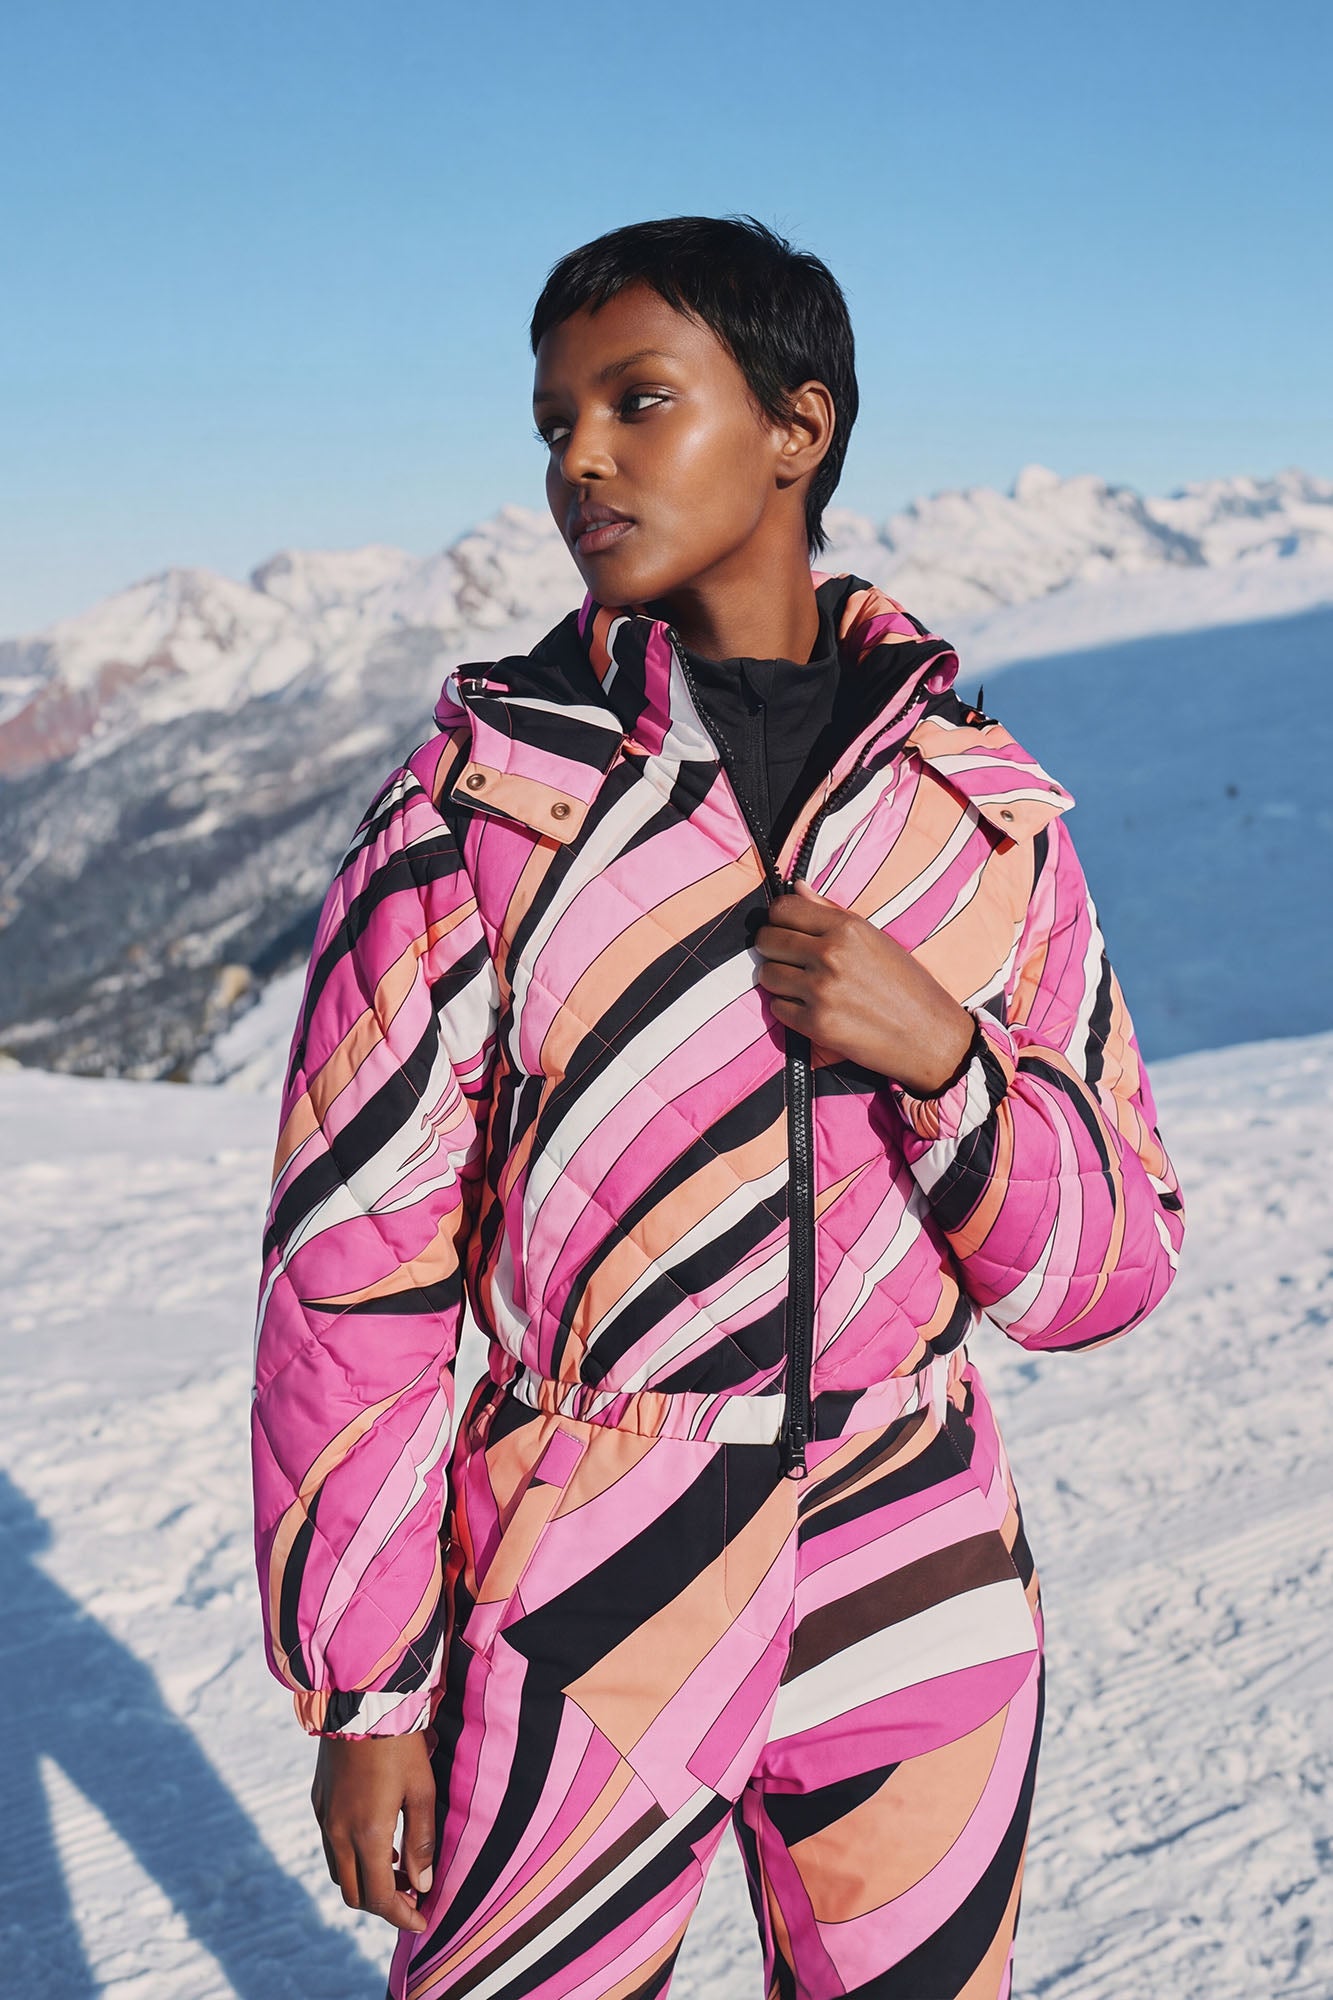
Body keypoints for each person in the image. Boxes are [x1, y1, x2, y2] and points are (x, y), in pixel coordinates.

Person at [251, 214, 1185, 2000]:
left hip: (913, 1547)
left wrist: (946, 1063)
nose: (579, 461)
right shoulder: (475, 820)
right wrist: (365, 1695)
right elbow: (351, 1283)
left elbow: (1111, 1267)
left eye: (637, 401)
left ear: (794, 428)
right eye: (554, 422)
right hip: (586, 1554)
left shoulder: (976, 817)